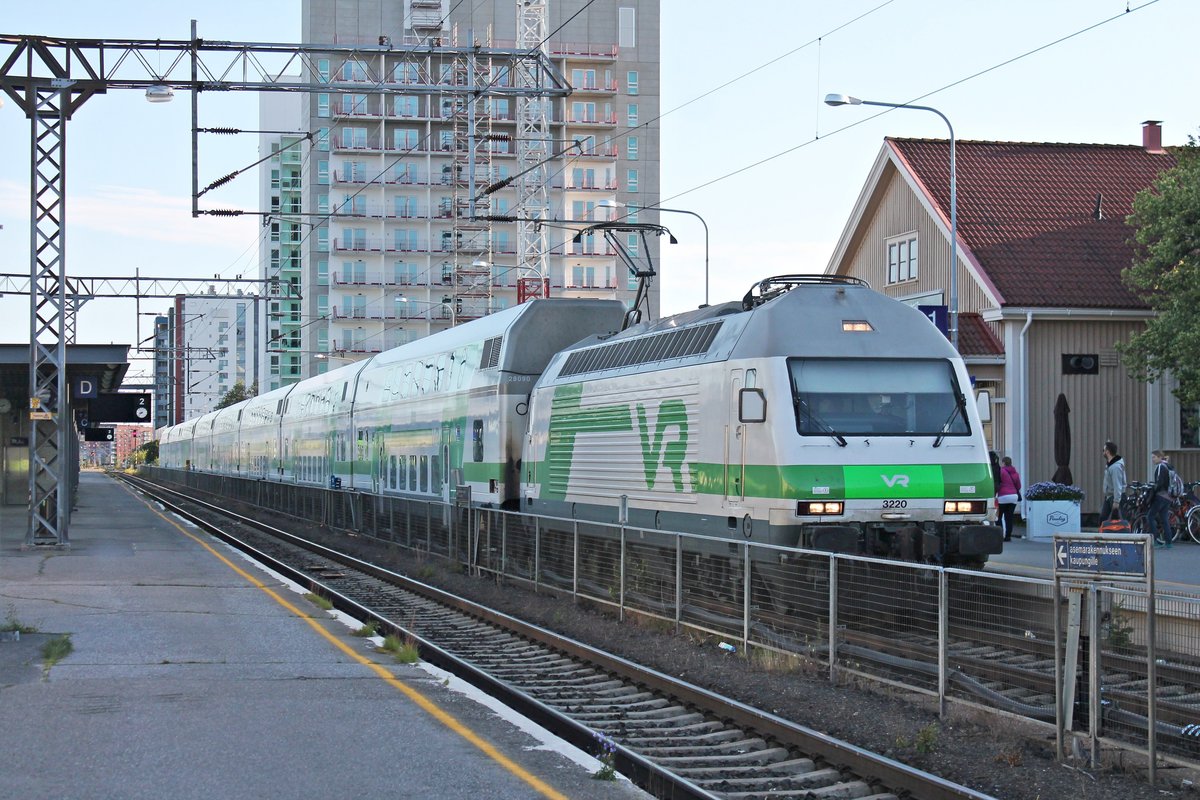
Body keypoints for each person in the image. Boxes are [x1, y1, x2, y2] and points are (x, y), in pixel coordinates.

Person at [1148, 449, 1173, 549]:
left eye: (1154, 457)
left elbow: (1159, 482)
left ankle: (1156, 540)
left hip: (1161, 496)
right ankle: (1168, 542)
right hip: (1168, 496)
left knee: (1150, 516)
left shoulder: (1160, 467)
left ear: (1159, 457)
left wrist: (1153, 491)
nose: (1152, 460)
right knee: (1164, 519)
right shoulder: (1168, 466)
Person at [996, 456, 1021, 541]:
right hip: (1014, 496)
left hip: (1003, 496)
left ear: (1003, 463)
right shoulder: (1015, 473)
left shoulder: (1001, 471)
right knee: (1009, 517)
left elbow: (998, 482)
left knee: (999, 516)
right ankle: (1008, 536)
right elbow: (1019, 486)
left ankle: (1000, 534)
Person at [1100, 441, 1126, 523]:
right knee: (1103, 519)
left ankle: (1123, 535)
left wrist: (1116, 501)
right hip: (1109, 496)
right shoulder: (1110, 465)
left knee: (1118, 521)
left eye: (1103, 450)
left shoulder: (1115, 467)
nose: (1103, 452)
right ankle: (1103, 535)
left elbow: (1117, 485)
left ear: (1107, 451)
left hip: (1114, 497)